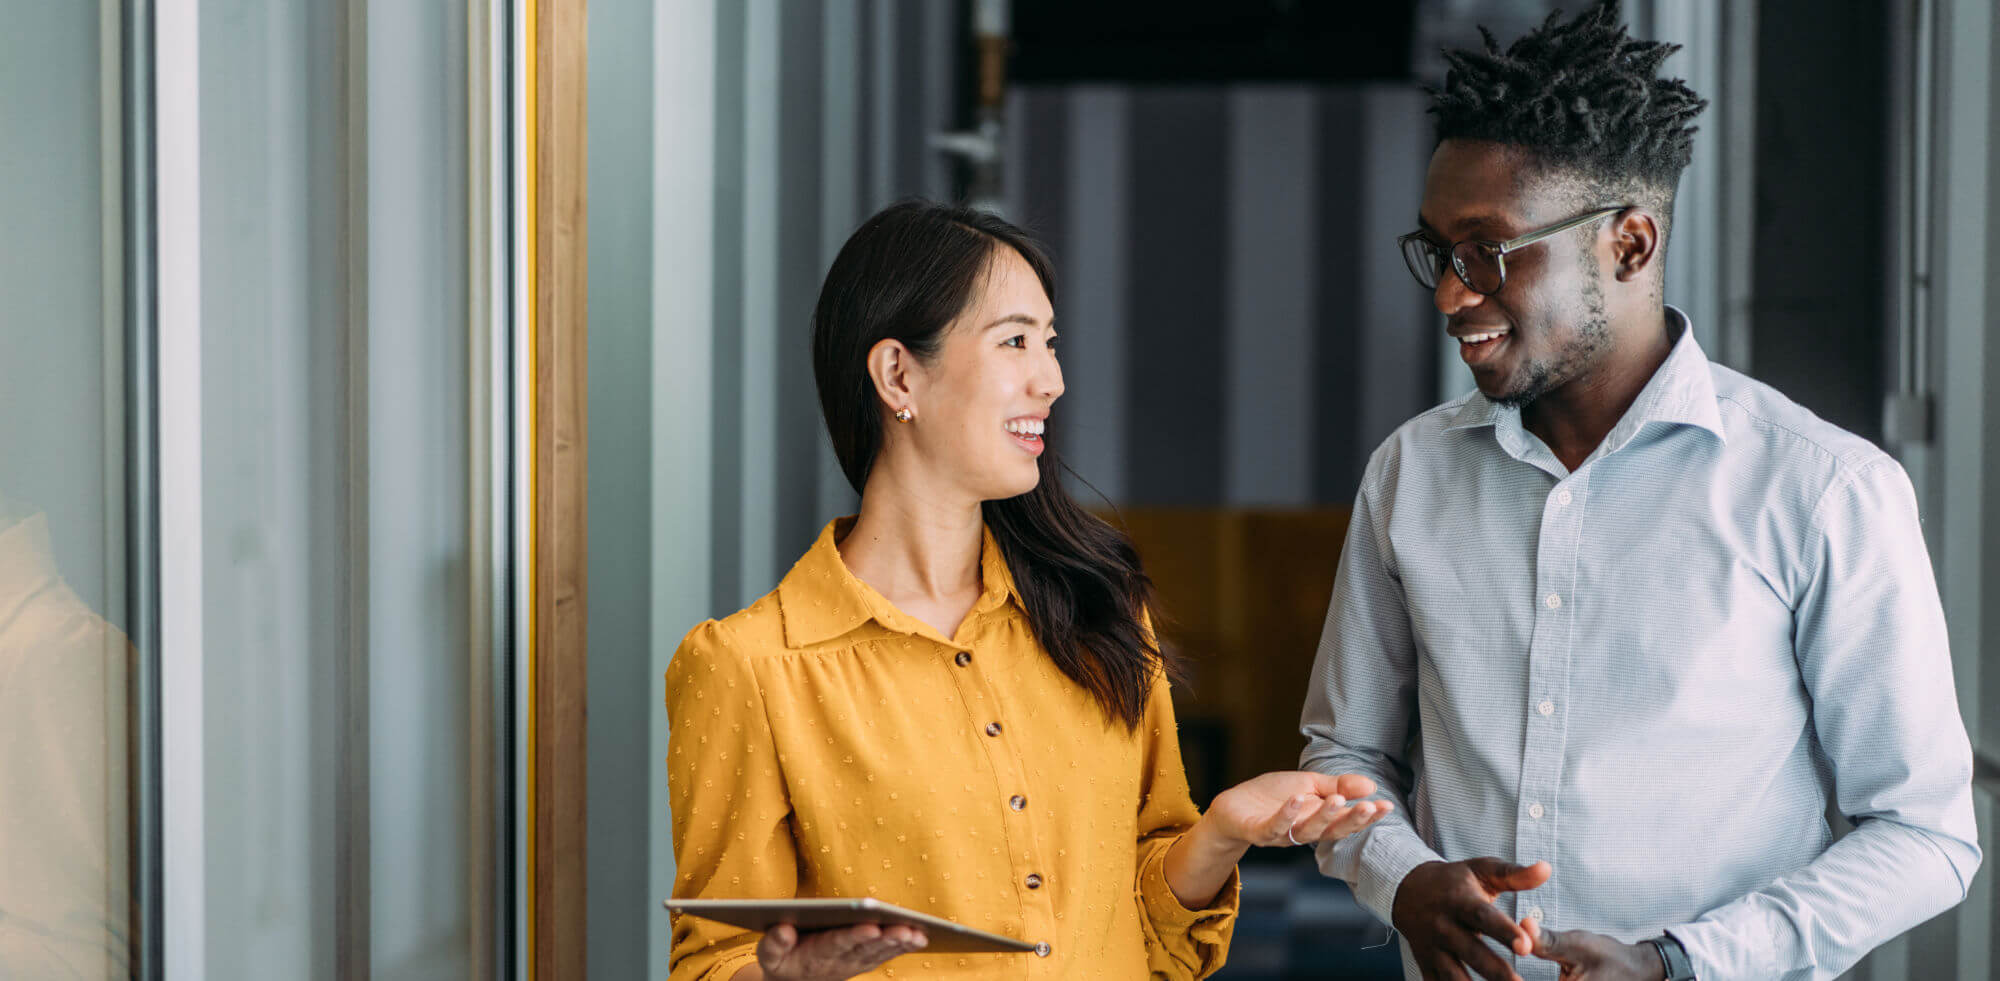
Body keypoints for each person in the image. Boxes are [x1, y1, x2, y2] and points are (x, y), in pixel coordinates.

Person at [1298, 4, 1980, 981]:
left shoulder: (1822, 492)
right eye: (1437, 253)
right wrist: (1399, 877)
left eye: (1486, 250)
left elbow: (1923, 837)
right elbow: (1343, 753)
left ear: (1626, 245)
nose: (1450, 294)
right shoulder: (1410, 472)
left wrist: (1676, 964)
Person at [667, 200, 1390, 981]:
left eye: (1048, 343)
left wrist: (1219, 831)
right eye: (1015, 340)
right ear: (898, 373)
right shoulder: (748, 667)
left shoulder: (1100, 610)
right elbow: (714, 960)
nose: (1052, 379)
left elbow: (1150, 932)